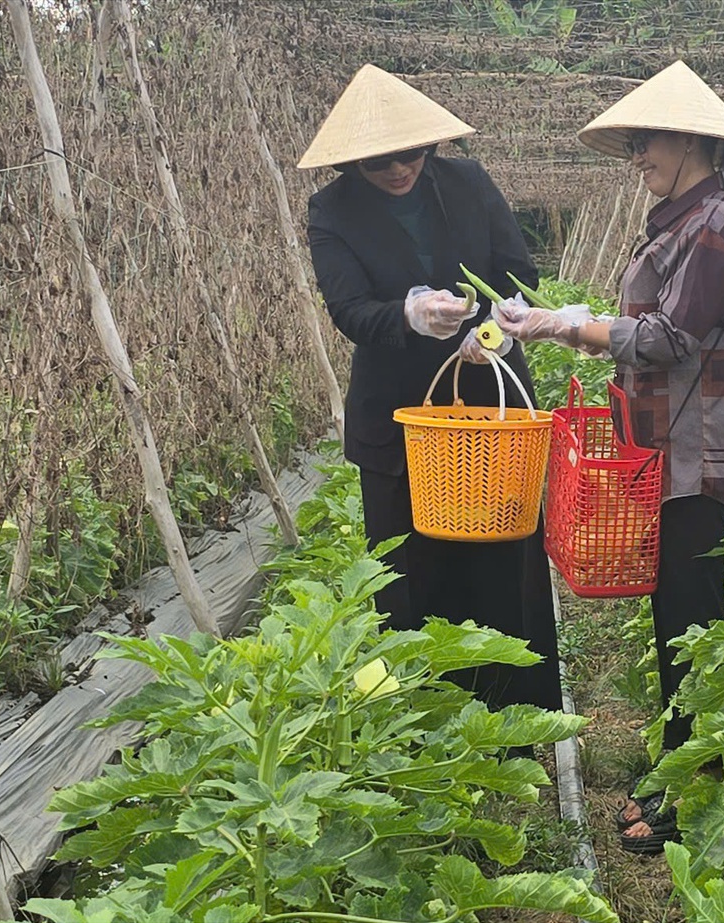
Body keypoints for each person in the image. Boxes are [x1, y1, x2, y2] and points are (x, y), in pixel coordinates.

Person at [492, 60, 724, 852]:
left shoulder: (716, 224)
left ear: (689, 140)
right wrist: (583, 321)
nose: (637, 154)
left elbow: (673, 339)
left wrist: (568, 326)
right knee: (674, 612)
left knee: (691, 617)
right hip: (664, 447)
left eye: (646, 141)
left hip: (692, 452)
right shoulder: (684, 222)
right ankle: (681, 764)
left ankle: (691, 786)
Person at [300, 64, 561, 715]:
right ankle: (430, 727)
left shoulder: (467, 183)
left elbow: (517, 277)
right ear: (351, 162)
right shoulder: (331, 211)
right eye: (379, 161)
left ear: (430, 144)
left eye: (410, 153)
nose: (398, 169)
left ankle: (512, 719)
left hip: (488, 408)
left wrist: (491, 335)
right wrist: (409, 316)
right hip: (397, 421)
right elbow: (349, 308)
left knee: (502, 559)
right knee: (411, 570)